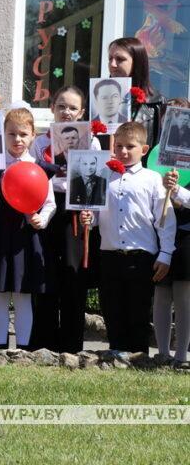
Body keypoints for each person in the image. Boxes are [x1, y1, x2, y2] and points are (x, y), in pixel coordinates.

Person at [80, 122, 175, 353]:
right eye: (119, 146)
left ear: (144, 149)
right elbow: (95, 213)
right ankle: (116, 354)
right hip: (110, 254)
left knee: (138, 310)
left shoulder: (153, 179)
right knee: (112, 309)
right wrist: (88, 219)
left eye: (129, 147)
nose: (123, 151)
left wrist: (165, 253)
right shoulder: (104, 176)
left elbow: (165, 219)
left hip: (141, 256)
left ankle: (138, 356)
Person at [28, 85, 102, 354]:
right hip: (48, 206)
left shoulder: (91, 142)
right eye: (61, 106)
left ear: (82, 112)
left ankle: (71, 345)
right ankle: (44, 342)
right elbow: (34, 179)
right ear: (52, 109)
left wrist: (89, 216)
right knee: (46, 273)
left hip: (76, 210)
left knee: (74, 275)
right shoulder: (40, 142)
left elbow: (94, 182)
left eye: (73, 108)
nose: (67, 112)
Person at [0, 108, 55, 350]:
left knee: (23, 293)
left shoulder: (38, 168)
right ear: (3, 135)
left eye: (23, 134)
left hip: (25, 235)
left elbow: (50, 202)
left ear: (33, 135)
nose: (17, 139)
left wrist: (42, 218)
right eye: (12, 134)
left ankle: (23, 348)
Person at [159, 148, 190, 369]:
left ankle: (181, 356)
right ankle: (162, 353)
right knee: (161, 292)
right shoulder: (161, 153)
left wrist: (177, 189)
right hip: (161, 231)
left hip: (187, 237)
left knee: (183, 297)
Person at [109, 36, 165, 151]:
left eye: (120, 59)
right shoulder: (97, 97)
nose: (112, 64)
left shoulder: (157, 103)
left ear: (137, 62)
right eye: (110, 58)